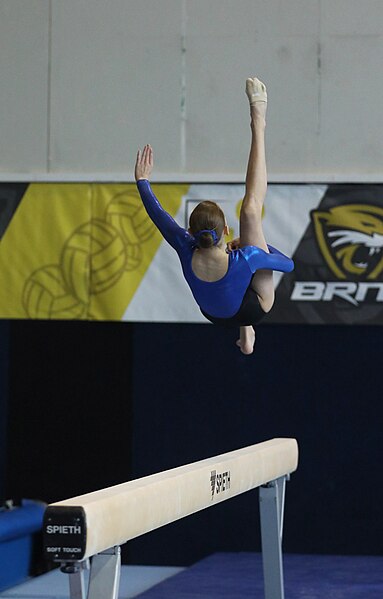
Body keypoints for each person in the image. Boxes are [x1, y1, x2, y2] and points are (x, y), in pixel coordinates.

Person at [135, 77, 294, 355]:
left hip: (215, 315)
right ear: (226, 231)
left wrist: (143, 181)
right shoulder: (245, 257)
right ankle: (259, 124)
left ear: (189, 231)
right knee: (251, 210)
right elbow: (288, 264)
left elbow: (159, 216)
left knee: (238, 278)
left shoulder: (185, 247)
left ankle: (246, 338)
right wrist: (249, 244)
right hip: (254, 308)